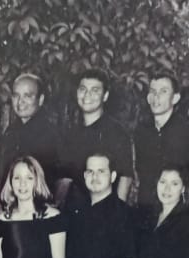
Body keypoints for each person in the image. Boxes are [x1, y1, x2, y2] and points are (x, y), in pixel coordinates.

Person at [57, 69, 134, 208]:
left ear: (105, 96)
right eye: (83, 89)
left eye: (95, 90)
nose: (87, 95)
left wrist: (118, 213)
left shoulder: (116, 133)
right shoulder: (71, 133)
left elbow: (126, 177)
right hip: (74, 210)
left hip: (104, 210)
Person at [134, 74, 189, 207]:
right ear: (148, 97)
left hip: (175, 210)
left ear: (175, 98)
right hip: (145, 209)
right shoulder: (141, 131)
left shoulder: (188, 132)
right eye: (153, 91)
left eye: (163, 91)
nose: (156, 97)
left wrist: (182, 209)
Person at [0, 74, 62, 194]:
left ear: (40, 100)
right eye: (16, 96)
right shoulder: (11, 131)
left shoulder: (49, 135)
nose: (20, 102)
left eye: (27, 96)